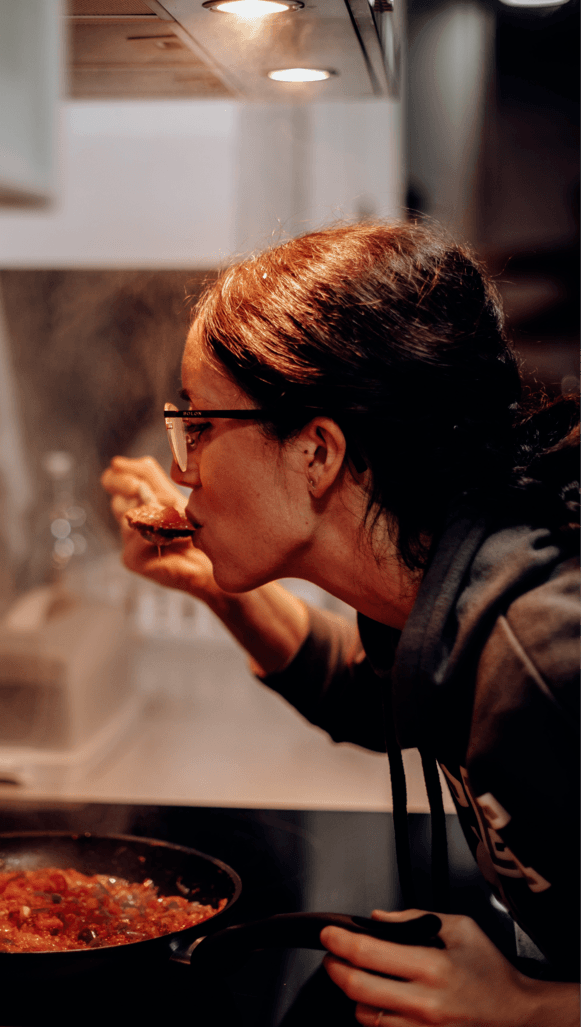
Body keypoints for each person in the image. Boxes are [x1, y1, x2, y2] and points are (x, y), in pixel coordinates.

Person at [101, 221, 580, 1027]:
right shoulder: (446, 591)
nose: (182, 470)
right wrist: (220, 589)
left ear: (316, 453)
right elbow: (370, 696)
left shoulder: (548, 653)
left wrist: (529, 1008)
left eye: (200, 428)